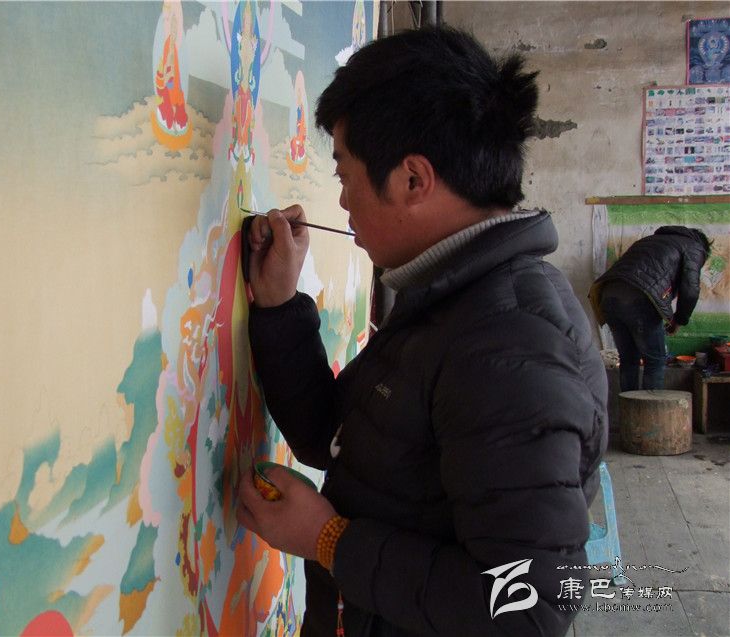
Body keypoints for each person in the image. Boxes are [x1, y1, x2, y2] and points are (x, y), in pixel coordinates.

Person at [236, 26, 608, 636]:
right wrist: (278, 304)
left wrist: (330, 541)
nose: (343, 202)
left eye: (345, 176)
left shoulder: (506, 345)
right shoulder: (448, 299)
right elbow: (338, 439)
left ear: (413, 179)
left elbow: (529, 609)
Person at [589, 226, 712, 393]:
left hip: (607, 296)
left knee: (628, 359)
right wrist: (679, 320)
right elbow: (690, 290)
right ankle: (650, 408)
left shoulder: (648, 240)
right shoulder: (694, 247)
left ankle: (629, 408)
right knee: (655, 360)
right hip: (638, 298)